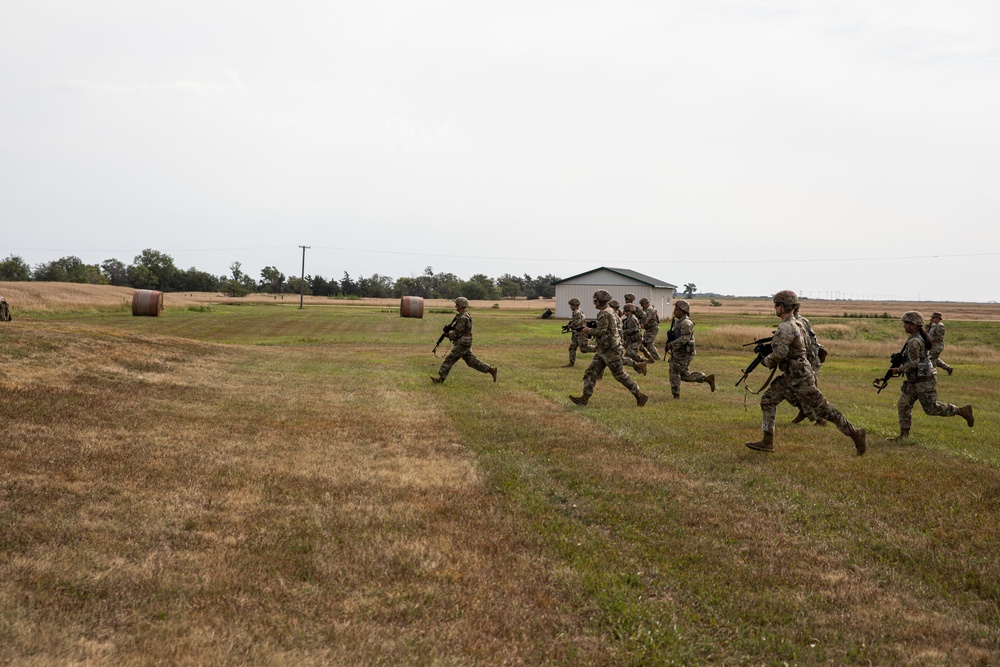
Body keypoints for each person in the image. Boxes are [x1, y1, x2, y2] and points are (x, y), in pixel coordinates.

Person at [745, 290, 867, 455]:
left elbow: (779, 355)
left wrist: (765, 360)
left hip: (800, 377)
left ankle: (855, 433)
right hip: (791, 376)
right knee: (768, 400)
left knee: (825, 410)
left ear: (785, 306)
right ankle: (767, 441)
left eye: (777, 304)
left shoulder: (786, 327)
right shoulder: (797, 323)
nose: (775, 308)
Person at [888, 311, 973, 440]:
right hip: (913, 381)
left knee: (932, 409)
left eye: (906, 323)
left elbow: (914, 363)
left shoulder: (915, 341)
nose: (904, 326)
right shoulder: (913, 338)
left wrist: (899, 370)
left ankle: (961, 411)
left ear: (914, 325)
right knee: (903, 405)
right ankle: (903, 436)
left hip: (924, 381)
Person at [570, 290, 648, 407]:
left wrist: (588, 330)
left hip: (611, 350)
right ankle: (584, 398)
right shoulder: (610, 311)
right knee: (591, 372)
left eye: (595, 300)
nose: (594, 302)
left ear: (600, 301)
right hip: (604, 349)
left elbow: (601, 332)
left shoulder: (604, 313)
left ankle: (640, 396)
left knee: (620, 375)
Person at [431, 297, 498, 384]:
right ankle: (491, 370)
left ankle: (441, 378)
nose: (456, 306)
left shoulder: (463, 317)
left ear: (461, 305)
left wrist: (449, 335)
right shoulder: (463, 316)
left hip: (462, 343)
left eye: (457, 304)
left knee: (450, 359)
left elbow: (457, 333)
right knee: (471, 361)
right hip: (465, 342)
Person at [665, 299, 715, 398]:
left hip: (684, 353)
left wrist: (672, 344)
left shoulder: (686, 323)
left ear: (683, 310)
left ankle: (676, 396)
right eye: (675, 308)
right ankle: (707, 379)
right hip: (680, 352)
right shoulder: (679, 322)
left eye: (677, 309)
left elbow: (685, 338)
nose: (675, 311)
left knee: (674, 371)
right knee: (685, 376)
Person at [789, 303, 827, 425]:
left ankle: (821, 418)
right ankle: (805, 412)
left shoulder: (797, 323)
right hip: (809, 359)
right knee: (803, 389)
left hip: (809, 359)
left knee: (809, 391)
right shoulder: (802, 320)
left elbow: (801, 343)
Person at [562, 297, 595, 367]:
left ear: (575, 305)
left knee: (584, 349)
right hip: (576, 333)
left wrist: (570, 326)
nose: (570, 306)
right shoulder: (577, 312)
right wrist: (569, 324)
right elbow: (574, 321)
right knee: (572, 348)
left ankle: (599, 349)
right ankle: (571, 362)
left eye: (571, 305)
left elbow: (577, 322)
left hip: (581, 333)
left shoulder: (577, 312)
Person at [639, 297, 660, 362]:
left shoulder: (649, 310)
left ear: (645, 303)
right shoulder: (649, 309)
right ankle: (651, 357)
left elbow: (645, 320)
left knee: (649, 343)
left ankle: (656, 357)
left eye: (642, 304)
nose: (642, 306)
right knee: (644, 343)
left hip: (652, 329)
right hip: (649, 329)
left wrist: (639, 328)